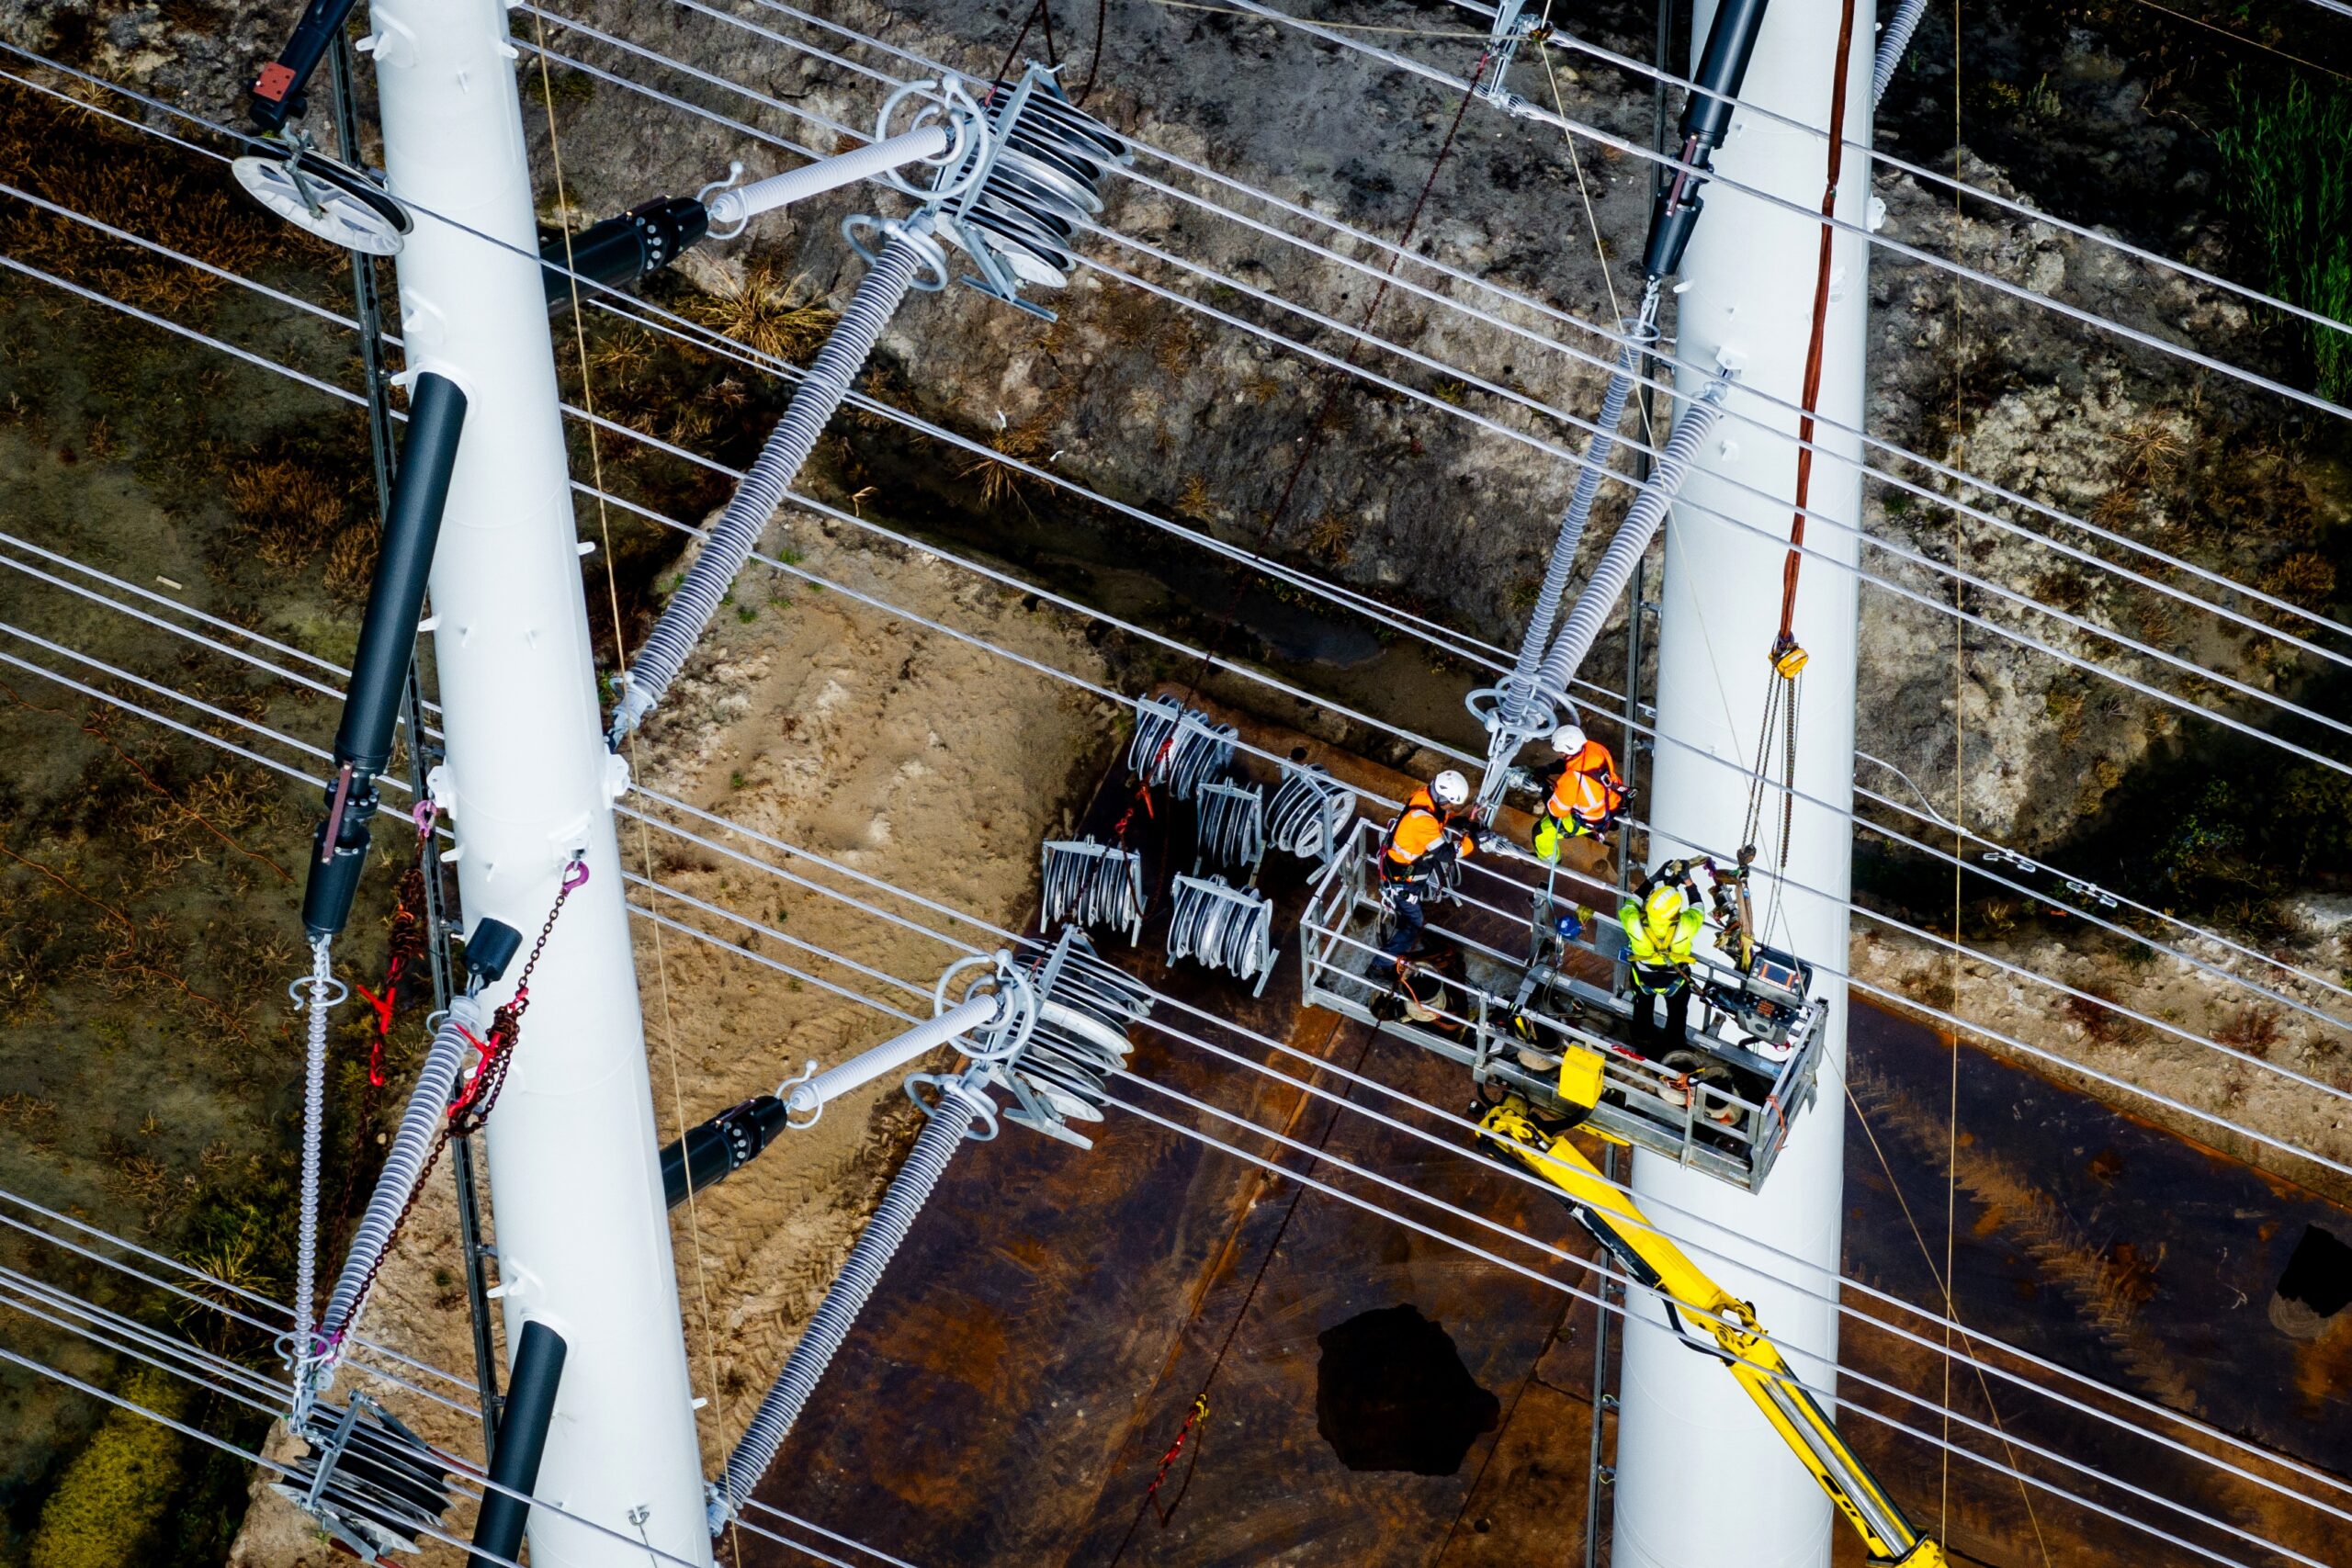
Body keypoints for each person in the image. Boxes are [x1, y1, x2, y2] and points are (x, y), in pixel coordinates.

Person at [1377, 769, 1488, 964]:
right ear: (1443, 798)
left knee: (1407, 915)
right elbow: (1446, 854)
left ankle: (1398, 935)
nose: (1452, 808)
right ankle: (1380, 965)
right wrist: (1474, 842)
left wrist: (1463, 823)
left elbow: (1440, 819)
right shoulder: (1422, 821)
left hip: (1402, 873)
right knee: (1414, 923)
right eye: (1451, 804)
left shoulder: (1426, 798)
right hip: (1402, 881)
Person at [1620, 858, 1706, 1059]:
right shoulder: (1685, 924)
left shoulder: (1634, 921)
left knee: (1642, 1008)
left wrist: (1651, 881)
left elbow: (1630, 904)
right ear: (1675, 911)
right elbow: (1698, 908)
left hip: (1644, 980)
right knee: (1677, 1015)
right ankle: (1674, 1046)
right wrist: (1688, 881)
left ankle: (1643, 1040)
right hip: (1675, 981)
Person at [1527, 724, 1627, 863]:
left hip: (1594, 817)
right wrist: (1550, 768)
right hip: (1613, 798)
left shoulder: (1571, 780)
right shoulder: (1595, 748)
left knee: (1541, 833)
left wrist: (1544, 787)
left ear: (1564, 752)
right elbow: (1578, 766)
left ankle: (1550, 860)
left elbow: (1556, 812)